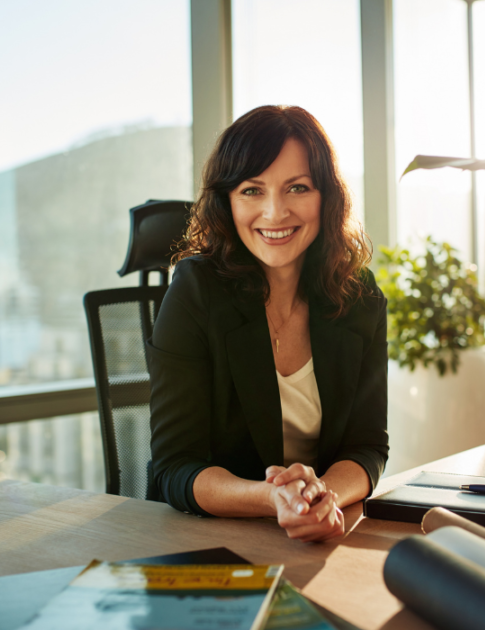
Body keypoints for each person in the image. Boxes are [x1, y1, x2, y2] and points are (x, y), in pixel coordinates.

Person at [145, 105, 388, 542]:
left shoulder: (359, 297)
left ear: (326, 196)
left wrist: (320, 497)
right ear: (227, 201)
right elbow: (174, 467)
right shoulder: (196, 291)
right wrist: (273, 498)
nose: (275, 213)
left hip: (319, 537)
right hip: (210, 540)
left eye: (297, 187)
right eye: (252, 190)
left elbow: (367, 446)